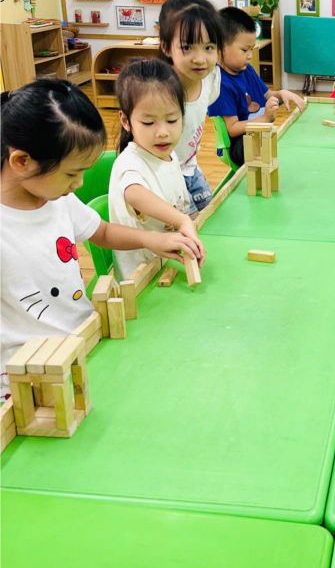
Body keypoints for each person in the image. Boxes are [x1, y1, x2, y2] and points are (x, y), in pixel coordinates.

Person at [0, 79, 199, 400]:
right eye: (71, 174)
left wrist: (151, 239)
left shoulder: (57, 200)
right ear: (22, 161)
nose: (79, 184)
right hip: (31, 375)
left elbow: (102, 232)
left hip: (84, 340)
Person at [108, 59, 206, 282]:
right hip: (142, 280)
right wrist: (182, 221)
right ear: (125, 120)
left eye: (172, 120)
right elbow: (135, 194)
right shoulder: (129, 164)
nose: (162, 132)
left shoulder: (169, 155)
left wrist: (190, 221)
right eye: (149, 123)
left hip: (170, 265)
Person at [208, 7, 307, 166]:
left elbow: (267, 96)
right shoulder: (220, 84)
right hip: (237, 145)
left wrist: (282, 94)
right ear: (221, 48)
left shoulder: (248, 70)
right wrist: (265, 119)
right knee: (273, 148)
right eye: (244, 50)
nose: (249, 56)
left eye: (251, 49)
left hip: (256, 133)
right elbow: (232, 128)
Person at [158, 0, 224, 215]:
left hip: (188, 167)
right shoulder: (159, 94)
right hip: (161, 173)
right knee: (191, 225)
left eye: (209, 47)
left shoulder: (210, 79)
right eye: (187, 47)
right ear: (166, 47)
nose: (200, 59)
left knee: (211, 217)